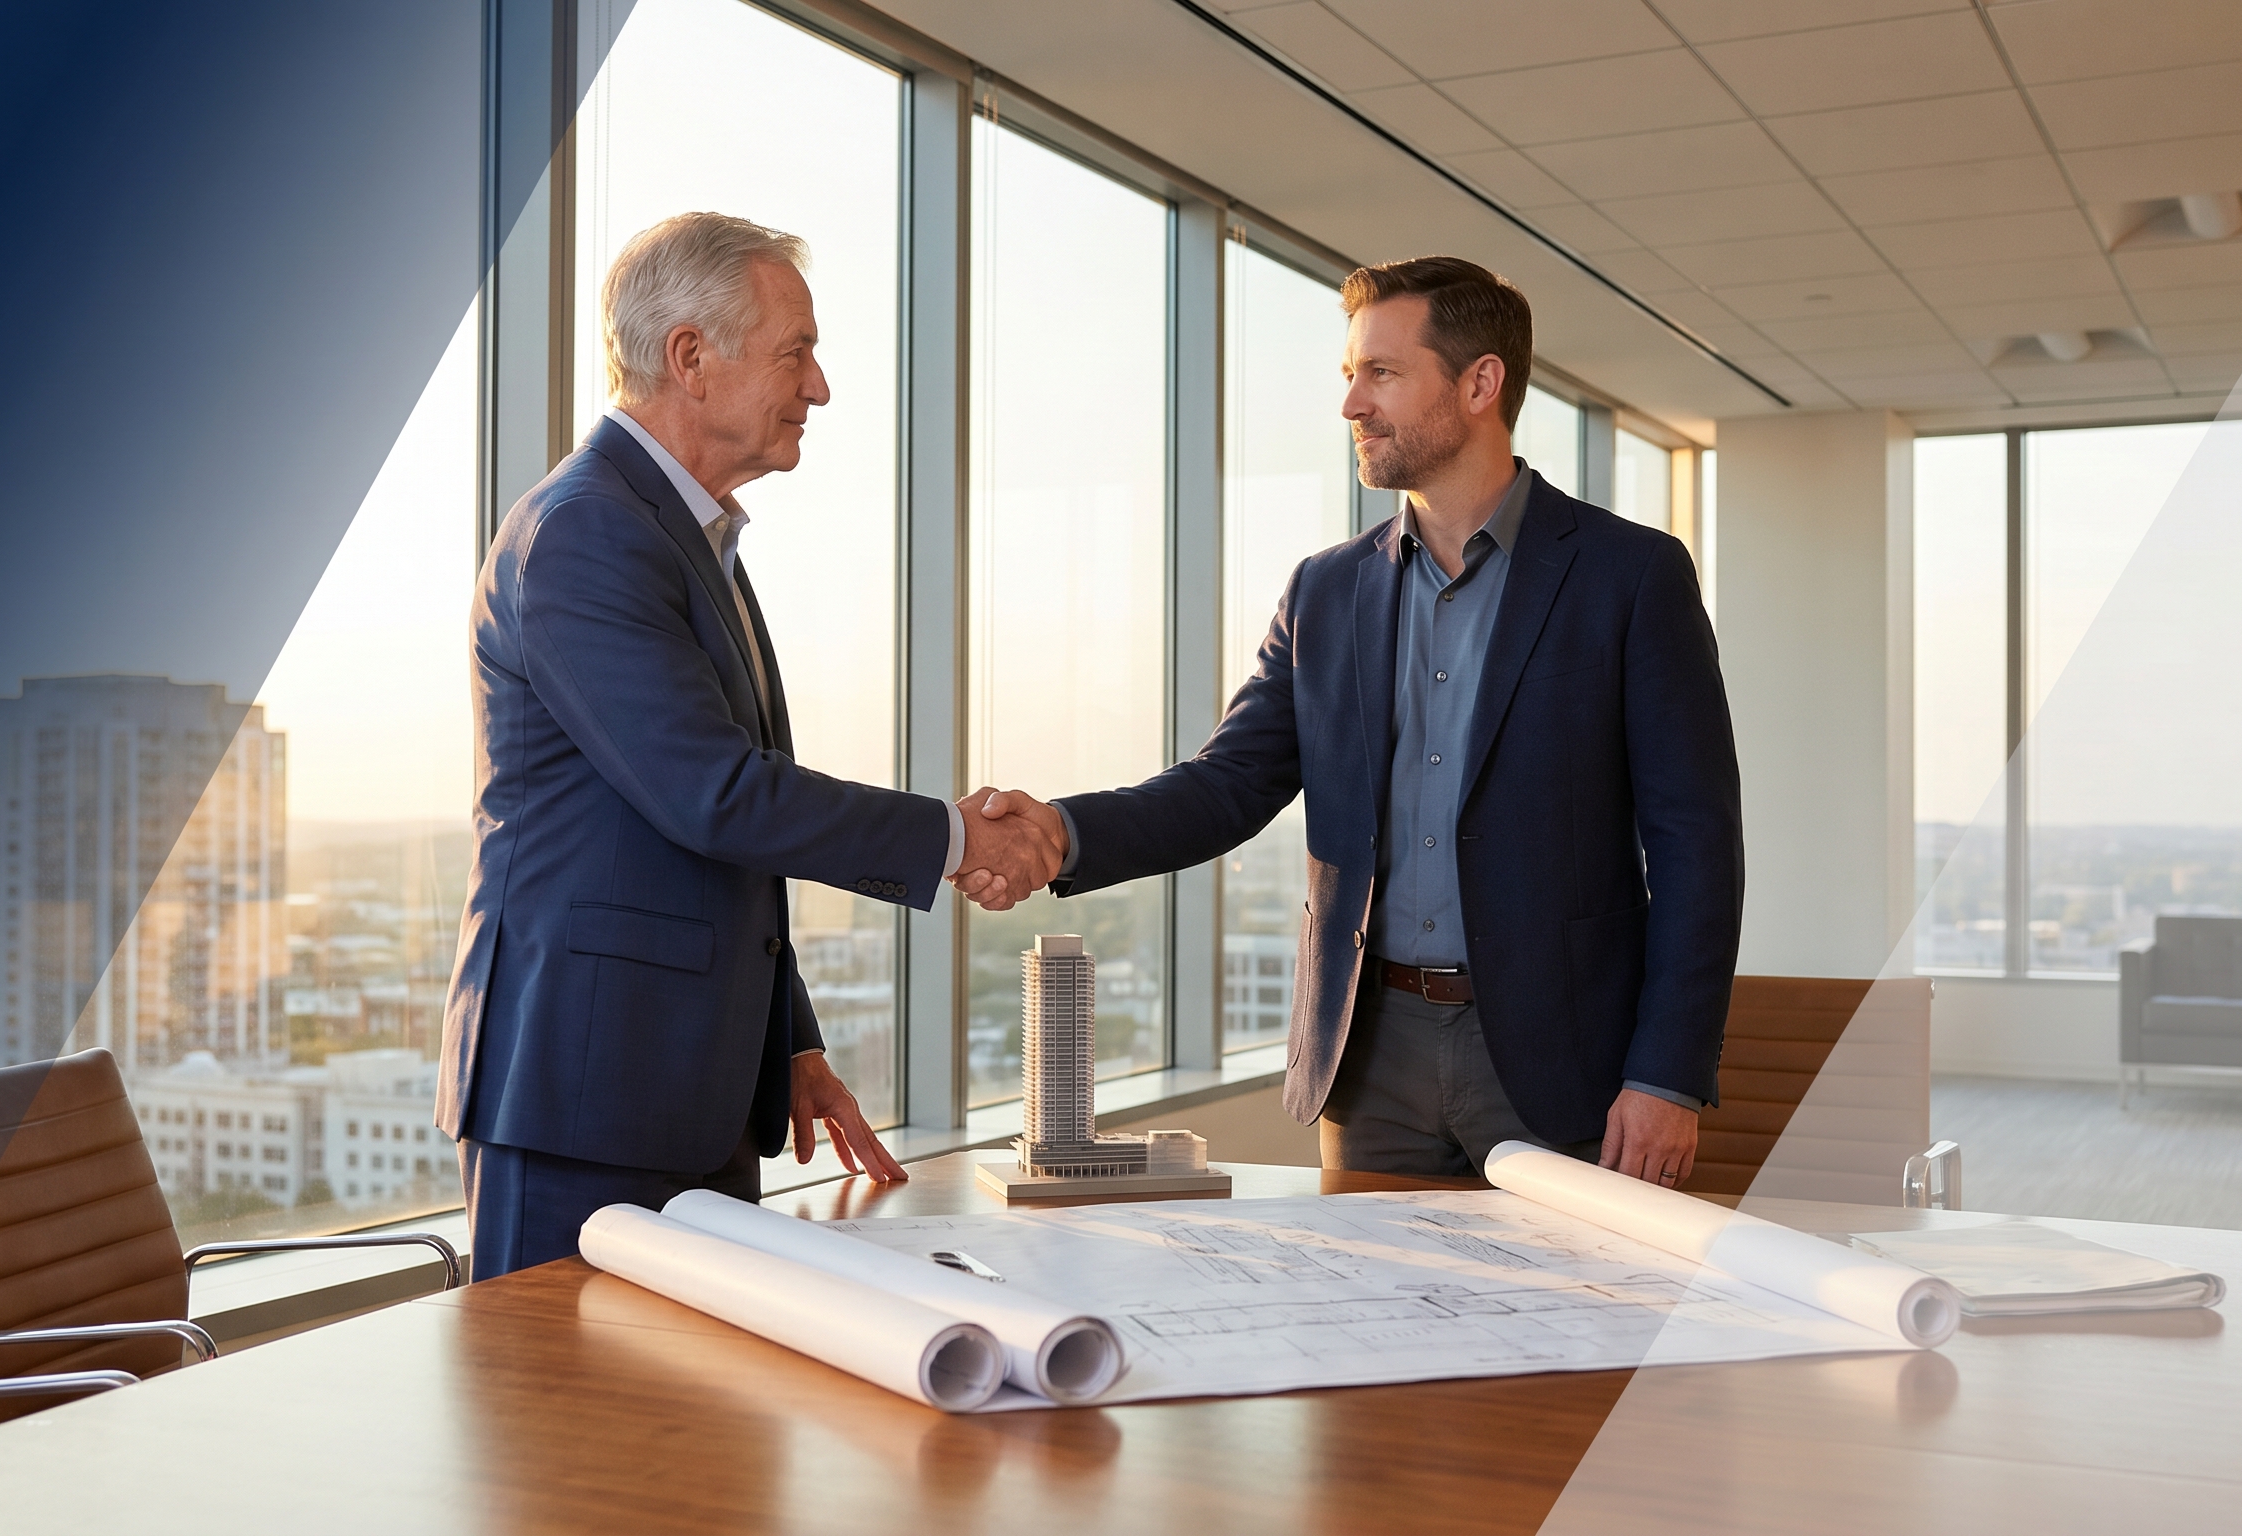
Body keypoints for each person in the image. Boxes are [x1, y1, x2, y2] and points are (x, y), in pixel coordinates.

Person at [956, 256, 1742, 1187]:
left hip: (1562, 1059)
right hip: (1369, 1063)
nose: (1351, 407)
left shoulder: (1630, 576)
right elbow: (1229, 783)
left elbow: (1696, 845)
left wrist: (1668, 1076)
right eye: (1348, 376)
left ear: (1480, 382)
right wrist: (1063, 832)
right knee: (1367, 1325)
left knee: (1575, 1331)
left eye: (1382, 373)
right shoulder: (1325, 590)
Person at [439, 213, 1061, 1279]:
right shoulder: (589, 532)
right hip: (586, 1096)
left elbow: (718, 848)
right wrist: (953, 837)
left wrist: (786, 1045)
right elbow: (716, 797)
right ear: (690, 357)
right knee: (570, 1436)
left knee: (703, 1438)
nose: (816, 388)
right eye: (795, 353)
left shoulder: (690, 538)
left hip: (687, 1085)